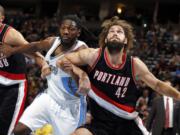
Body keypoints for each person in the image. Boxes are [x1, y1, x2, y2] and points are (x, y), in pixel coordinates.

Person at [56, 16, 180, 135]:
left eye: (119, 32)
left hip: (127, 124)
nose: (115, 33)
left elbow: (157, 85)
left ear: (125, 40)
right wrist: (82, 74)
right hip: (100, 124)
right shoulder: (93, 56)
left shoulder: (134, 64)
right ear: (105, 39)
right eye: (111, 31)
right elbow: (61, 60)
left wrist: (178, 96)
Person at [10, 15, 90, 135]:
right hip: (49, 98)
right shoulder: (53, 41)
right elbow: (34, 46)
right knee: (19, 130)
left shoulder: (82, 50)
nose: (66, 32)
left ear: (78, 32)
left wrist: (73, 72)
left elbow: (84, 80)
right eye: (63, 28)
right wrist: (11, 51)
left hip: (70, 107)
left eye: (71, 29)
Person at [0, 5, 47, 135]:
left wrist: (43, 64)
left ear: (1, 18)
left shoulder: (9, 35)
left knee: (7, 127)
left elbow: (31, 50)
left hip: (13, 85)